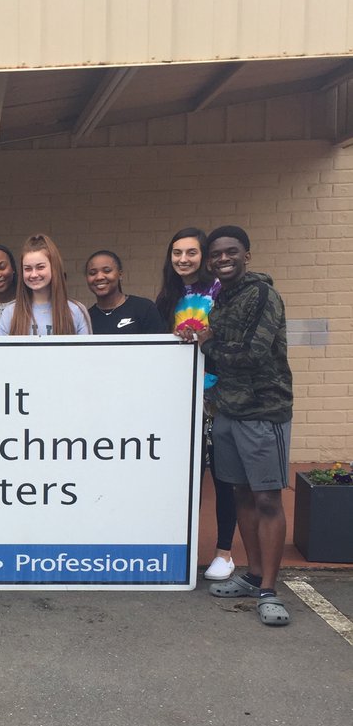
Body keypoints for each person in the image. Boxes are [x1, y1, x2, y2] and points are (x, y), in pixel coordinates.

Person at [177, 225, 293, 626]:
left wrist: (206, 341)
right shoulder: (220, 297)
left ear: (247, 255)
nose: (223, 259)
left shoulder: (262, 294)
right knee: (241, 494)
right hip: (227, 410)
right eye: (216, 254)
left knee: (267, 499)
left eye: (231, 252)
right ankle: (254, 575)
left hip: (263, 410)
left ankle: (270, 591)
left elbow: (254, 352)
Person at [156, 226, 238, 581]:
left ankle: (224, 552)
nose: (183, 259)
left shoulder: (220, 291)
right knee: (184, 477)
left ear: (203, 256)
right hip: (182, 397)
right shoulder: (167, 297)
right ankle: (179, 545)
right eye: (177, 253)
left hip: (219, 396)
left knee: (222, 476)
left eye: (191, 252)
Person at [0, 234, 90, 336]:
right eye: (28, 269)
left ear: (54, 268)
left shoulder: (76, 310)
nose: (33, 274)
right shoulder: (10, 312)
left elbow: (86, 347)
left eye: (40, 267)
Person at [85, 250, 163, 335]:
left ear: (120, 274)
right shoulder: (86, 319)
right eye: (92, 273)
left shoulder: (144, 308)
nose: (99, 277)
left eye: (107, 271)